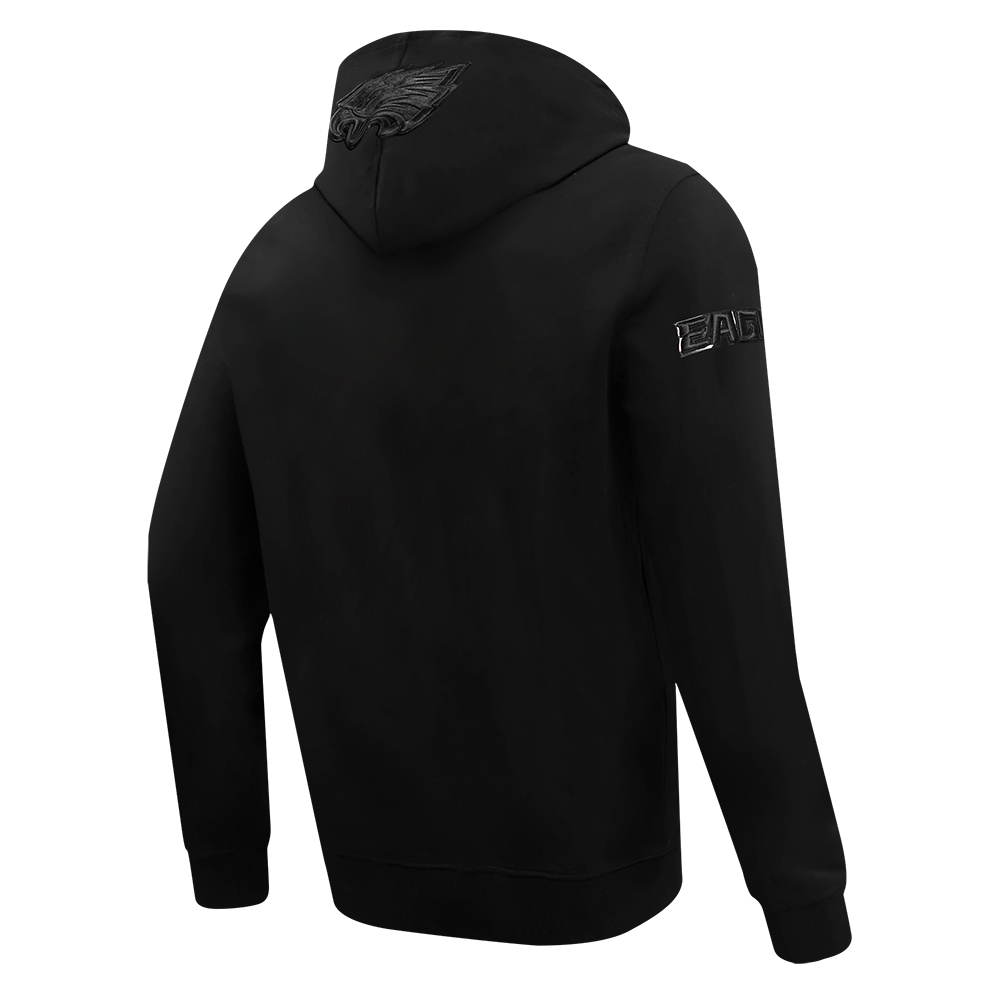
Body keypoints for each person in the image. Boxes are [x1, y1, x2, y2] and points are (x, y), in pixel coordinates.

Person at [148, 29, 850, 962]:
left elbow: (189, 599)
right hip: (591, 907)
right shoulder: (660, 225)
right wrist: (801, 900)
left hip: (341, 903)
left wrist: (215, 882)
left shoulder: (271, 263)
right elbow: (726, 588)